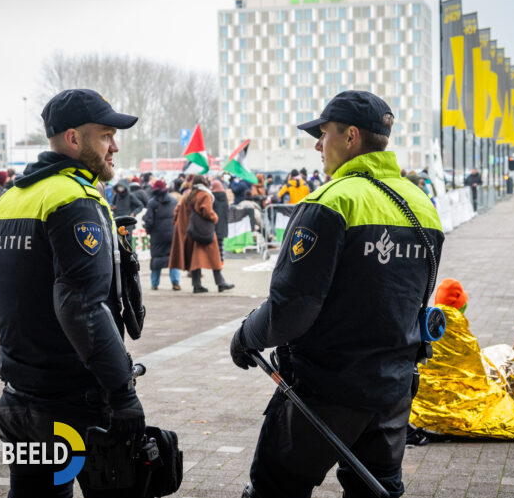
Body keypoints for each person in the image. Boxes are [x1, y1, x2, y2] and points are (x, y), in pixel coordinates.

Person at [229, 90, 444, 498]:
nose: (316, 144)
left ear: (350, 137)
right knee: (377, 489)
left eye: (323, 133)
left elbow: (293, 307)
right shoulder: (422, 204)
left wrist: (245, 336)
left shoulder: (331, 201)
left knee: (276, 487)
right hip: (393, 391)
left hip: (326, 390)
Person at [0, 89, 145, 497]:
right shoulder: (73, 198)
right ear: (73, 139)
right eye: (106, 135)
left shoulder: (12, 198)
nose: (115, 146)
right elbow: (82, 307)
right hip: (74, 405)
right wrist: (122, 393)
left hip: (20, 398)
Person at [408, 279, 514, 442]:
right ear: (461, 304)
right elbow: (476, 374)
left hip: (421, 399)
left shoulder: (426, 320)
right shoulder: (459, 328)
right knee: (496, 397)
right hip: (456, 398)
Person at [169, 174, 234, 293]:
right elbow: (206, 211)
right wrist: (215, 218)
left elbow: (177, 210)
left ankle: (197, 285)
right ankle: (220, 283)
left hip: (192, 232)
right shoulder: (204, 194)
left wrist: (182, 225)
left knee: (195, 260)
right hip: (204, 231)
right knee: (215, 258)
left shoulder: (188, 195)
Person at [143, 180, 181, 291]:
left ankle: (154, 284)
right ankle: (175, 283)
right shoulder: (173, 201)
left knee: (156, 259)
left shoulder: (152, 202)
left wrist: (148, 230)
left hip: (157, 236)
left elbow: (149, 221)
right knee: (173, 259)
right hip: (171, 234)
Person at [210, 179, 229, 263]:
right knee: (221, 243)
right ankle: (221, 260)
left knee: (214, 243)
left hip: (214, 222)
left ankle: (214, 260)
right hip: (223, 222)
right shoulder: (224, 196)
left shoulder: (211, 196)